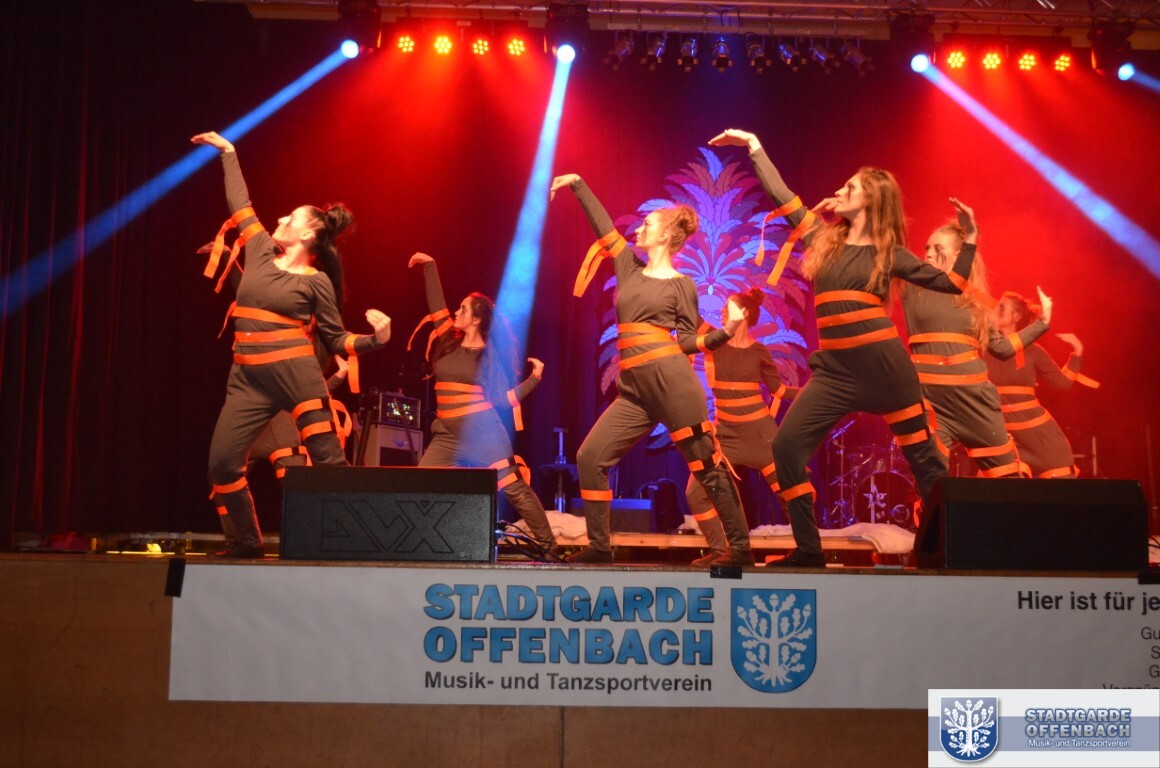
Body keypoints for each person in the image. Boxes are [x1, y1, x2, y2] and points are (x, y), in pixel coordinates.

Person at [709, 128, 976, 568]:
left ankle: (952, 550)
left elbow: (954, 283)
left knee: (925, 461)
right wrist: (754, 146)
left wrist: (971, 237)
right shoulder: (822, 238)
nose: (840, 190)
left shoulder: (891, 253)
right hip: (835, 373)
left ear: (871, 199)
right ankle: (808, 550)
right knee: (786, 448)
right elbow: (782, 196)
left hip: (887, 372)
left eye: (850, 187)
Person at [192, 131, 391, 558]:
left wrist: (377, 339)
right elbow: (240, 204)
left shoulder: (317, 282)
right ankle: (247, 543)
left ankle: (361, 544)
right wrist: (228, 153)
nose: (281, 217)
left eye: (292, 217)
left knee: (328, 462)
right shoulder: (260, 250)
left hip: (297, 377)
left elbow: (336, 338)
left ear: (309, 235)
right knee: (222, 464)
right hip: (247, 380)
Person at [549, 172, 754, 566]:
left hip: (672, 384)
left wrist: (727, 331)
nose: (638, 229)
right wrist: (578, 184)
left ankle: (740, 550)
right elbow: (604, 228)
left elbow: (689, 341)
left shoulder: (682, 285)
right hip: (634, 390)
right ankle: (600, 546)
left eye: (647, 224)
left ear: (665, 235)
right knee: (590, 457)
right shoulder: (628, 267)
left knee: (707, 467)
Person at [406, 252, 558, 556]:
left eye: (462, 309)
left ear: (476, 319)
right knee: (420, 483)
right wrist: (430, 266)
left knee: (513, 488)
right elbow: (436, 305)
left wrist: (535, 379)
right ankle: (426, 546)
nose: (456, 311)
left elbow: (504, 399)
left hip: (483, 434)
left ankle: (549, 546)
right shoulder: (447, 340)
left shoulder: (489, 357)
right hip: (447, 436)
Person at [901, 218, 1052, 478]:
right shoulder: (911, 286)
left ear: (959, 256)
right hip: (931, 401)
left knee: (1007, 477)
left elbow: (1002, 348)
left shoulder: (976, 299)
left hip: (976, 401)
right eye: (927, 247)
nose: (928, 253)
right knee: (929, 479)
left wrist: (1042, 323)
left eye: (938, 248)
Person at [686, 288, 799, 563]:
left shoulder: (759, 351)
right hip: (726, 436)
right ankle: (720, 549)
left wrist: (816, 391)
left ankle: (806, 549)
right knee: (696, 493)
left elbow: (779, 391)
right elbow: (688, 314)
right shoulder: (715, 339)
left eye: (728, 307)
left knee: (793, 492)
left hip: (761, 435)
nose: (722, 311)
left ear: (744, 313)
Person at [985, 290, 1095, 478]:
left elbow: (1063, 383)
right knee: (994, 486)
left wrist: (1077, 352)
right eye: (995, 306)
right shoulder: (983, 349)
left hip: (1040, 436)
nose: (995, 310)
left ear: (1016, 316)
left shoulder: (1033, 351)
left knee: (1061, 482)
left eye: (1002, 307)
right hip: (1005, 436)